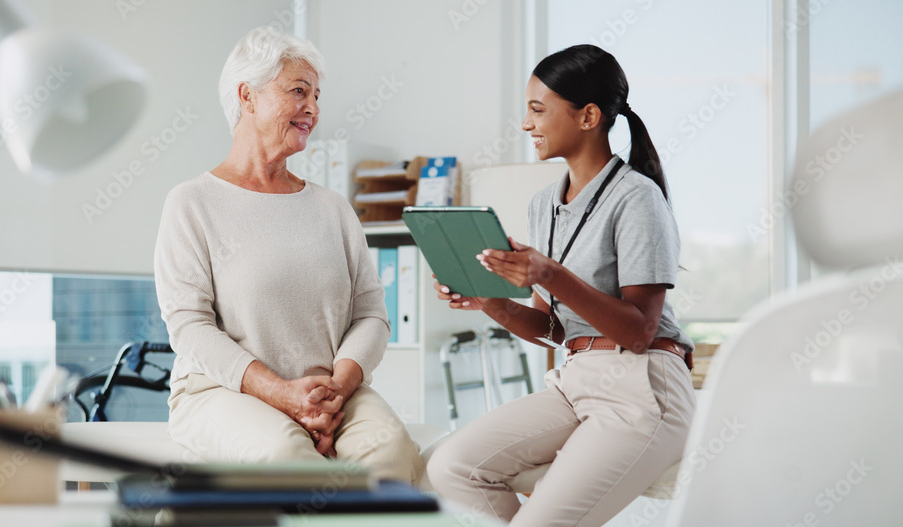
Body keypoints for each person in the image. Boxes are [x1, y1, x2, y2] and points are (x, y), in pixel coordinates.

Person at [426, 44, 696, 526]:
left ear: (589, 115)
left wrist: (548, 273)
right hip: (575, 379)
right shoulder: (543, 204)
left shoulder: (637, 198)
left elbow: (638, 333)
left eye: (537, 110)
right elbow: (555, 329)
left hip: (643, 384)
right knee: (452, 466)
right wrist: (491, 302)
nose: (527, 125)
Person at [153, 27, 422, 483]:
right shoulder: (192, 202)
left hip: (332, 390)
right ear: (247, 96)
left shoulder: (332, 207)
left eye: (317, 95)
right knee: (288, 459)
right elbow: (189, 327)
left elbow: (371, 314)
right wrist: (282, 395)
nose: (314, 109)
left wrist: (337, 388)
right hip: (223, 391)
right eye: (299, 91)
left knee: (389, 454)